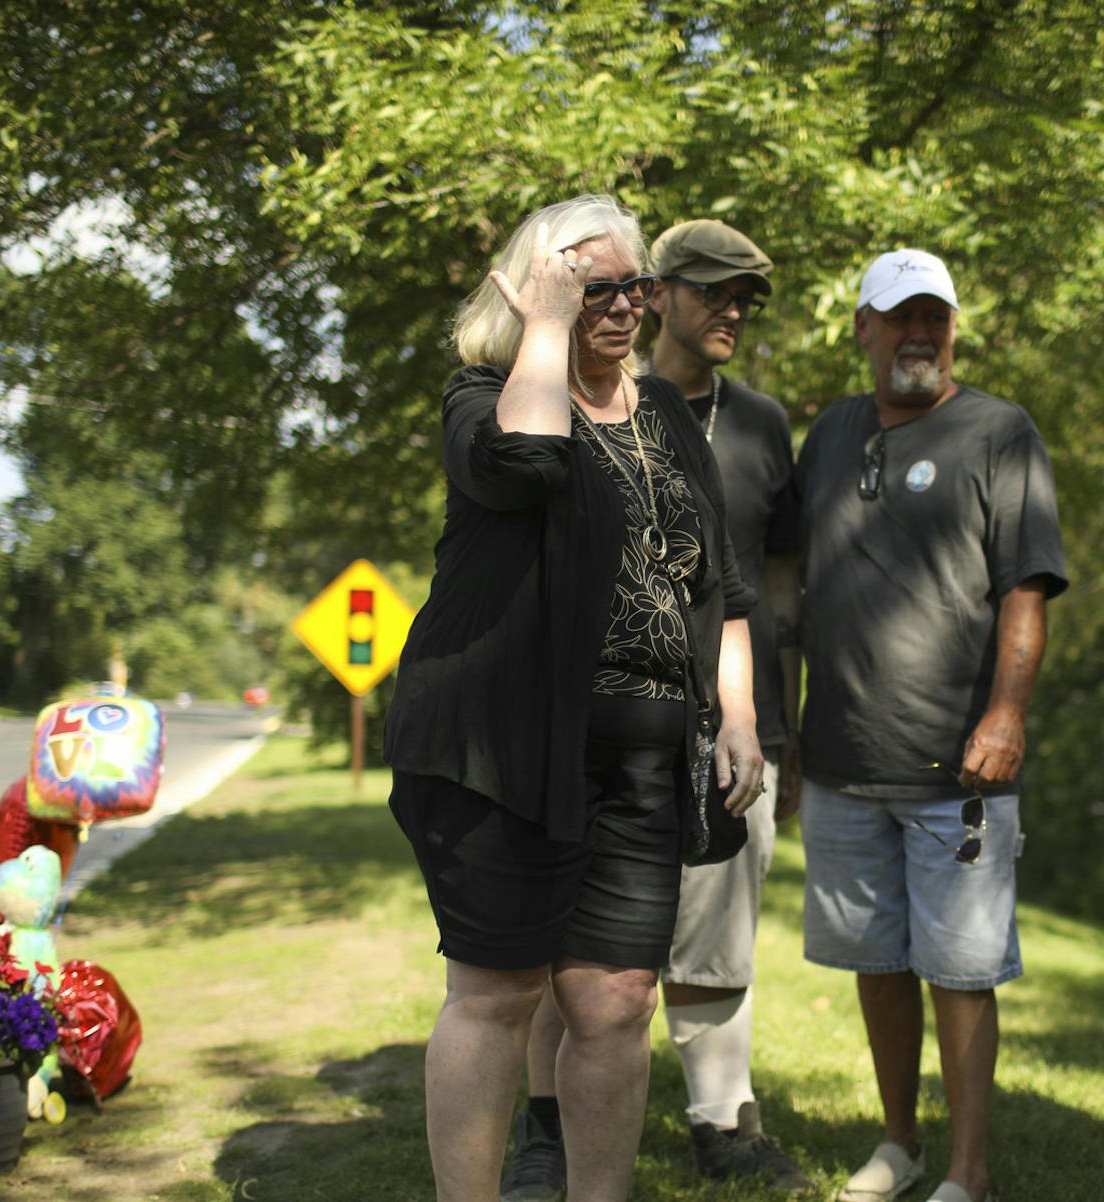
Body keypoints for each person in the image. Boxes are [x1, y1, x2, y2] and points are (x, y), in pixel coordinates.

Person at [380, 194, 765, 1202]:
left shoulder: (670, 414)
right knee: (498, 993)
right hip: (501, 748)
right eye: (594, 288)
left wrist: (739, 717)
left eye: (636, 285)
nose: (626, 306)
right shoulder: (486, 394)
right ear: (539, 291)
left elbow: (714, 580)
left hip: (638, 761)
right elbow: (529, 463)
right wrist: (542, 331)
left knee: (617, 999)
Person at [501, 218, 812, 1198]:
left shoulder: (759, 422)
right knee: (575, 944)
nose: (730, 311)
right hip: (598, 720)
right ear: (656, 290)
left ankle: (721, 1117)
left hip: (731, 715)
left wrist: (771, 715)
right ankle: (545, 1126)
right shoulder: (586, 394)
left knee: (717, 930)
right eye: (713, 290)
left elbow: (768, 580)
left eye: (745, 299)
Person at [792, 249, 1068, 1202]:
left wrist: (1006, 713)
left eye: (934, 319)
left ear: (954, 327)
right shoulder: (827, 434)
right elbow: (792, 584)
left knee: (958, 970)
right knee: (875, 962)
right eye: (898, 317)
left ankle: (968, 1171)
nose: (918, 335)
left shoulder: (1001, 431)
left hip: (960, 764)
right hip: (839, 755)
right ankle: (900, 1144)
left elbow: (1026, 588)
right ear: (862, 328)